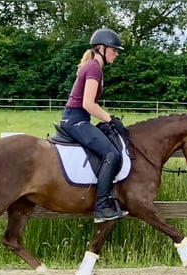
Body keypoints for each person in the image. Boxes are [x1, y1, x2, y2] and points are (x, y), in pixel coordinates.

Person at [60, 28, 129, 223]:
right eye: (114, 50)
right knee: (112, 154)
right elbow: (88, 104)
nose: (116, 54)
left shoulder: (93, 66)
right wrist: (110, 119)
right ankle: (101, 208)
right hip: (76, 120)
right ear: (102, 48)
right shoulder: (94, 68)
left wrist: (108, 119)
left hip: (79, 118)